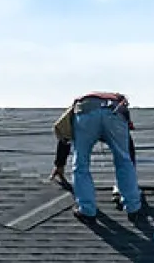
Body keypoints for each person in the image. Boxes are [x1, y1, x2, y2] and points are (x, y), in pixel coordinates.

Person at [49, 92, 146, 224]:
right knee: (123, 160)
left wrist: (59, 164)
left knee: (81, 163)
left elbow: (65, 135)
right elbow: (129, 152)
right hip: (114, 113)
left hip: (86, 113)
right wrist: (125, 188)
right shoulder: (117, 103)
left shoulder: (80, 104)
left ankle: (87, 210)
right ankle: (133, 207)